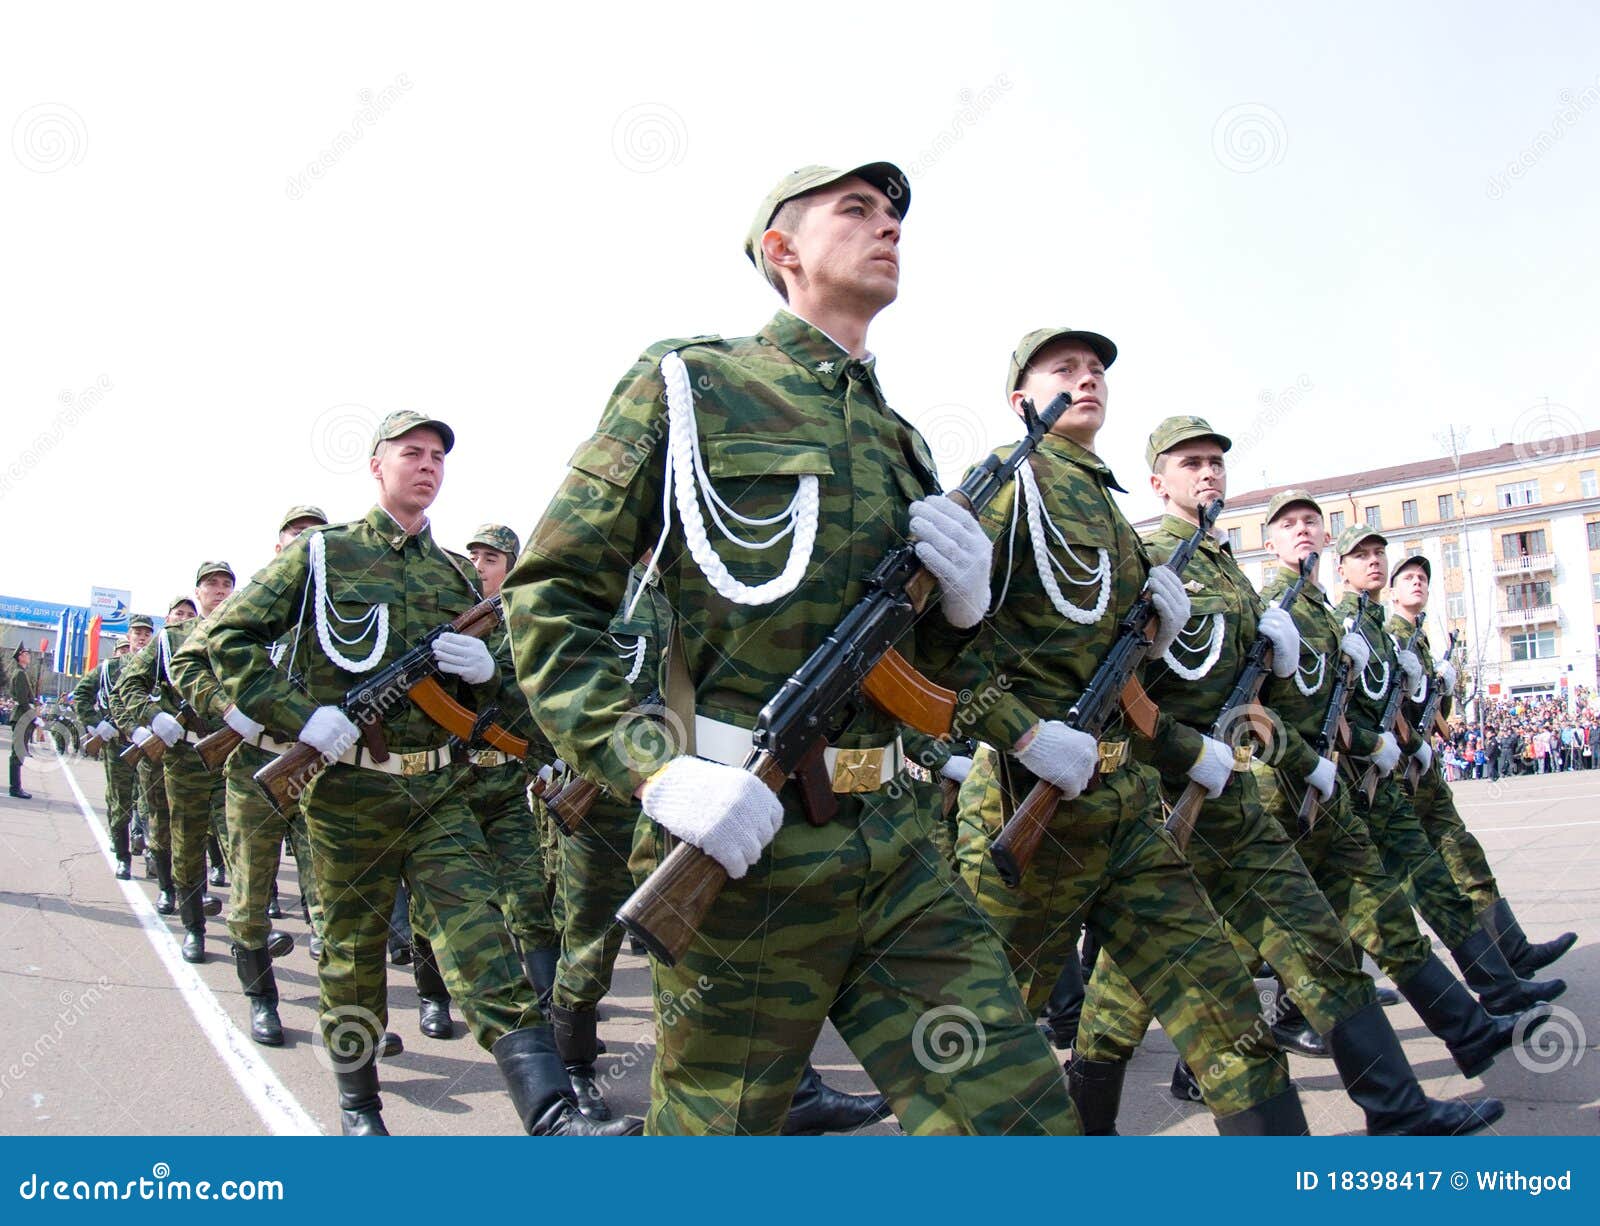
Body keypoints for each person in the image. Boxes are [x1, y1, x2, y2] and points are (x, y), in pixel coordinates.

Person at [505, 163, 1077, 1135]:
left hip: (895, 847)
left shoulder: (902, 446)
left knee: (1020, 1117)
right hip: (743, 844)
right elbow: (552, 596)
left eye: (894, 213)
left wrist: (967, 612)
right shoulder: (689, 385)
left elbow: (930, 688)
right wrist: (656, 771)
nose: (886, 226)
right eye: (855, 209)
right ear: (782, 249)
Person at [206, 411, 636, 1136]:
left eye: (438, 455)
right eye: (412, 452)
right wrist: (300, 717)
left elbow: (487, 707)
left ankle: (553, 1112)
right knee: (350, 954)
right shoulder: (322, 557)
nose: (428, 465)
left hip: (439, 792)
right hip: (350, 794)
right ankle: (358, 1106)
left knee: (483, 944)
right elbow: (230, 637)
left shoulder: (454, 579)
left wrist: (488, 672)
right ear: (377, 465)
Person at [946, 331, 1305, 1134]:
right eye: (1064, 371)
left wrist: (1173, 709)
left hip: (1125, 804)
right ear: (1022, 400)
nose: (1087, 381)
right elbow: (940, 652)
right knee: (986, 1043)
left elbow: (1132, 685)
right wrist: (1026, 736)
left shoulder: (1104, 505)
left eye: (1097, 371)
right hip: (1023, 804)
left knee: (1224, 1008)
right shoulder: (1012, 489)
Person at [1335, 528, 1565, 1017]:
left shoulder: (1386, 630)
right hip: (1368, 779)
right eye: (1364, 556)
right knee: (1363, 894)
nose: (1378, 564)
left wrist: (1437, 703)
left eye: (1381, 554)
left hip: (1403, 773)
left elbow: (1410, 706)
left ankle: (1503, 972)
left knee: (1445, 865)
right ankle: (1304, 1003)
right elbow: (1349, 709)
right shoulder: (1355, 627)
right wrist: (1401, 743)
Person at [169, 506, 330, 1044]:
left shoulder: (343, 599)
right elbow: (187, 663)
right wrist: (225, 709)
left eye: (316, 537)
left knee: (334, 896)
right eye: (296, 539)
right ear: (279, 548)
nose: (306, 546)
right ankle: (263, 1001)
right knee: (251, 889)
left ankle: (347, 1018)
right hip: (255, 764)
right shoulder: (247, 602)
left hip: (323, 769)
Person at [1386, 555, 1576, 976]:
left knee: (1463, 853)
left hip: (1425, 769)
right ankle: (1489, 972)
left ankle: (1512, 952)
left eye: (1423, 578)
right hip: (1397, 774)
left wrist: (1446, 687)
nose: (1417, 583)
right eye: (1408, 578)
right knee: (1401, 880)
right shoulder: (1389, 638)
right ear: (1392, 592)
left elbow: (1434, 712)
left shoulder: (1419, 640)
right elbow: (1383, 707)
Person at [9, 645, 39, 798]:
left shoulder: (23, 673)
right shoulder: (19, 674)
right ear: (20, 656)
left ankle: (16, 787)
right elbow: (22, 699)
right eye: (26, 653)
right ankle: (15, 788)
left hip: (23, 717)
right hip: (21, 717)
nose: (28, 656)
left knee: (20, 753)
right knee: (17, 754)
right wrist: (33, 716)